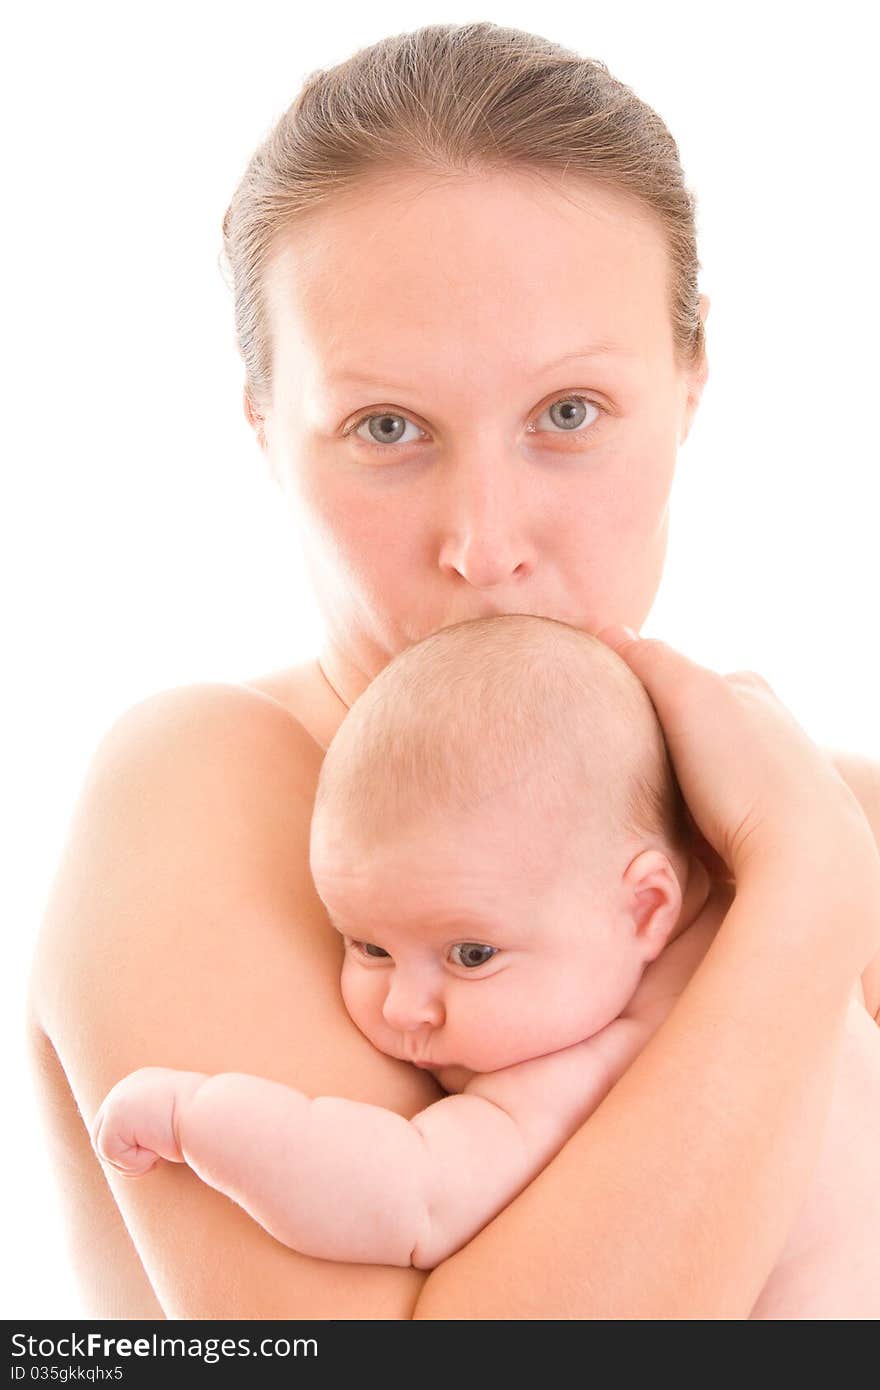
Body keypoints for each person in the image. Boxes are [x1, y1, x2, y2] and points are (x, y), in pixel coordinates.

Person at [26, 21, 880, 1319]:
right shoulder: (205, 785)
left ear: (690, 376)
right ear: (265, 427)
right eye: (387, 427)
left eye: (570, 414)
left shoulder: (843, 804)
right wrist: (805, 895)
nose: (484, 544)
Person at [87, 616, 880, 1317]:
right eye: (368, 947)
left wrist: (196, 1117)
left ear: (645, 909)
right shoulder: (791, 904)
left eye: (471, 955)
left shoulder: (582, 1067)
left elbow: (407, 1195)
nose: (406, 1007)